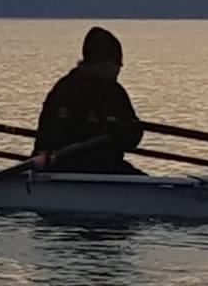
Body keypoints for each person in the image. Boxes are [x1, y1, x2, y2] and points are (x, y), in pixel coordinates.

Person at [34, 25, 143, 174]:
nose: (119, 69)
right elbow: (48, 134)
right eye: (116, 64)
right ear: (101, 63)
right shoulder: (66, 91)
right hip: (75, 168)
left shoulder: (114, 92)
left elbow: (132, 135)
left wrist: (121, 131)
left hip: (103, 166)